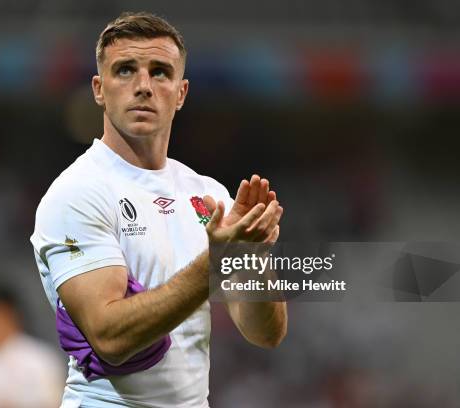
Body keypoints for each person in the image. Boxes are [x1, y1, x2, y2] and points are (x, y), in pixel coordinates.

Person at [30, 11, 287, 407]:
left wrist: (249, 254)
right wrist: (215, 260)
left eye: (161, 72)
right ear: (99, 89)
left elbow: (265, 333)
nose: (143, 86)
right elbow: (110, 338)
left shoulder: (208, 195)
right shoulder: (77, 193)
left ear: (181, 93)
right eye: (126, 70)